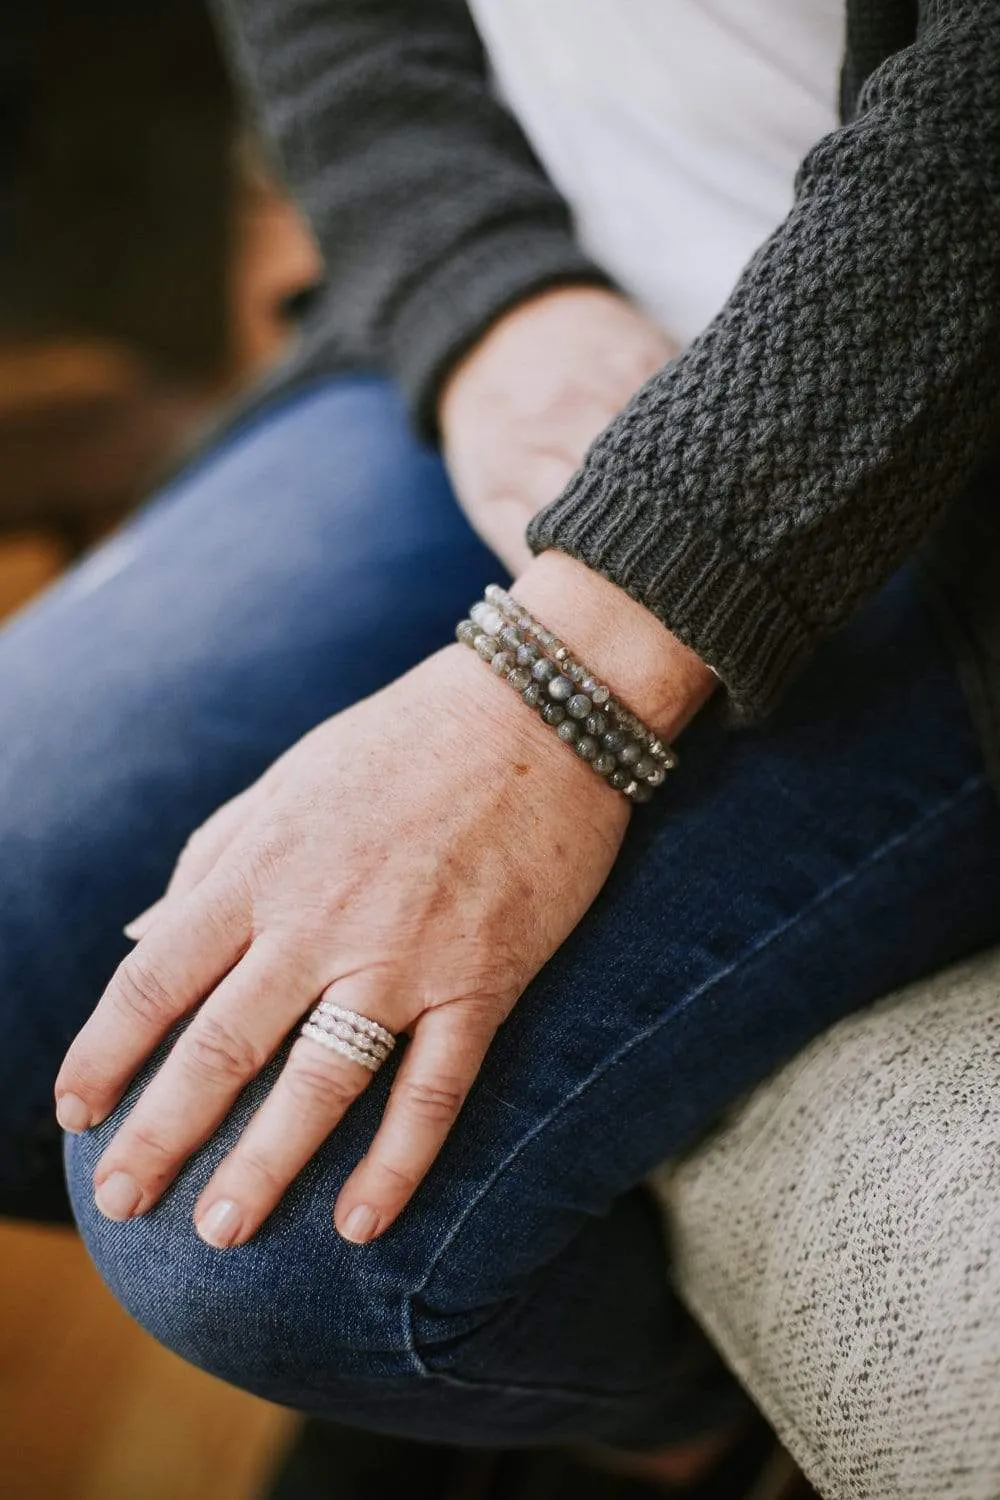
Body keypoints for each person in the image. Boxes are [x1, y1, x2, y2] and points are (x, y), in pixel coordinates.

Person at [3, 0, 1000, 1493]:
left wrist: (554, 691)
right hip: (540, 335)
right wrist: (493, 300)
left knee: (255, 1240)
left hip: (957, 486)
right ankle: (630, 1400)